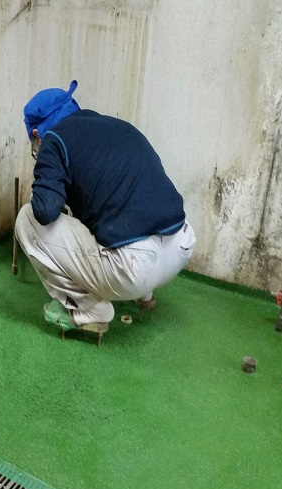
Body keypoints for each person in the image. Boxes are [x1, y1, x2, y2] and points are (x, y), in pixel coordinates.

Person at [15, 80, 196, 343]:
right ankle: (145, 296)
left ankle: (89, 310)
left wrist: (43, 184)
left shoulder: (53, 139)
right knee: (111, 211)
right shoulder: (114, 125)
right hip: (180, 246)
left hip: (135, 268)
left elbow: (45, 211)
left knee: (27, 219)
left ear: (35, 135)